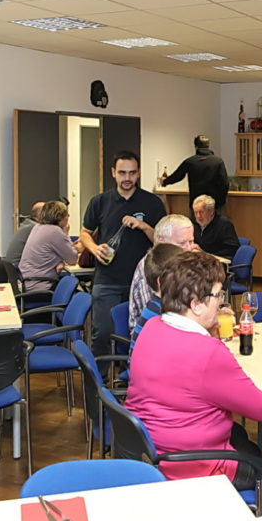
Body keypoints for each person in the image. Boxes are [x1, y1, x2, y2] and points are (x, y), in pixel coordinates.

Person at [125, 250, 262, 513]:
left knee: (243, 439)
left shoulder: (153, 326)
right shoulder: (207, 353)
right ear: (196, 304)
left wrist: (210, 329)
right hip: (191, 463)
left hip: (154, 447)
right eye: (218, 296)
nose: (222, 303)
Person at [80, 151, 165, 367]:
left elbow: (162, 241)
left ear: (138, 174)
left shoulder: (152, 203)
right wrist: (93, 247)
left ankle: (131, 377)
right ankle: (98, 382)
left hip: (142, 280)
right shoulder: (99, 202)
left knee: (142, 333)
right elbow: (85, 233)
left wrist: (145, 226)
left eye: (132, 173)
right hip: (106, 279)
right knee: (102, 332)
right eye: (122, 173)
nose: (127, 178)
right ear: (113, 173)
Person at [128, 214, 195, 333]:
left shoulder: (181, 264)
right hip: (151, 338)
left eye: (191, 242)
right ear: (160, 241)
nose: (189, 248)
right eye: (182, 243)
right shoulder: (151, 268)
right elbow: (158, 321)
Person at [128, 242, 183, 365]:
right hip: (149, 380)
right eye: (182, 276)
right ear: (162, 282)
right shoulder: (160, 317)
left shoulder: (157, 306)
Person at [19, 200, 78, 291]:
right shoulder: (55, 231)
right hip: (40, 285)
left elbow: (49, 253)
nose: (68, 218)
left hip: (27, 282)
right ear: (60, 217)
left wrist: (60, 261)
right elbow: (73, 259)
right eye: (67, 215)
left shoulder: (38, 227)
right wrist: (66, 232)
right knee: (77, 293)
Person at [162, 135, 229, 210]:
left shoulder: (190, 161)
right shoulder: (218, 162)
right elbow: (225, 183)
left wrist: (164, 182)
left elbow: (177, 176)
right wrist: (221, 201)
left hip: (196, 203)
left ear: (196, 146)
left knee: (196, 221)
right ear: (208, 146)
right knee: (216, 221)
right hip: (214, 203)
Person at [191, 194, 239, 259]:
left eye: (201, 212)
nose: (198, 216)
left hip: (216, 262)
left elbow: (231, 250)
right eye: (195, 212)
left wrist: (205, 254)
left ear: (211, 211)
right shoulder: (192, 223)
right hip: (197, 260)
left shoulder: (224, 225)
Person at [5, 201, 44, 265]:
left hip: (12, 267)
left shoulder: (28, 224)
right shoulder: (35, 228)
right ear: (41, 214)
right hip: (17, 269)